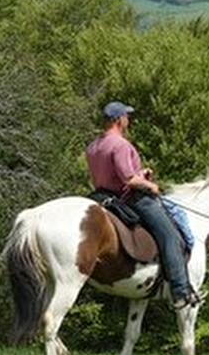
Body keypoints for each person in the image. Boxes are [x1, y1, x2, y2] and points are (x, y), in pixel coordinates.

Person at [85, 101, 200, 310]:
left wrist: (140, 174)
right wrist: (150, 184)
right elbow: (128, 180)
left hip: (101, 196)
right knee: (170, 236)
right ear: (119, 119)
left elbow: (114, 175)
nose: (128, 120)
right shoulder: (120, 145)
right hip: (130, 198)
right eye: (126, 116)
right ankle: (180, 290)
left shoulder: (93, 146)